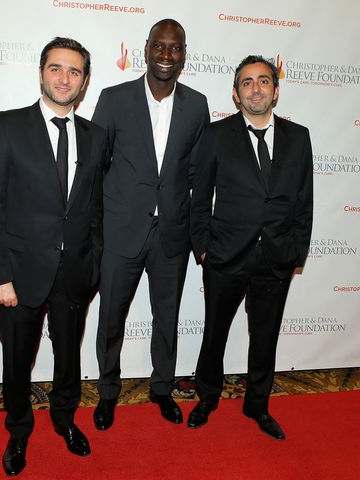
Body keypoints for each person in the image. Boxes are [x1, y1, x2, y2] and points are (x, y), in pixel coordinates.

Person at [0, 37, 105, 476]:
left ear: (84, 81)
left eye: (74, 71)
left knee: (68, 356)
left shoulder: (96, 136)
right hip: (18, 273)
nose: (64, 78)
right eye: (56, 68)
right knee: (18, 360)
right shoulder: (6, 126)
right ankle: (18, 430)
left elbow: (96, 208)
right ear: (41, 73)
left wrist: (94, 265)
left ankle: (65, 420)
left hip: (75, 274)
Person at [91, 18, 210, 430]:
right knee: (111, 319)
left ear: (184, 54)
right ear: (145, 48)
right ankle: (108, 393)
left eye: (174, 48)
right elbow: (94, 167)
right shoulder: (113, 98)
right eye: (159, 46)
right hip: (121, 231)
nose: (165, 55)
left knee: (168, 317)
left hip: (171, 234)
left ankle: (162, 389)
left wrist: (198, 235)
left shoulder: (197, 105)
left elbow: (196, 175)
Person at [187, 55, 313, 440]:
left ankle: (257, 405)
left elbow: (304, 201)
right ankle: (207, 397)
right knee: (215, 334)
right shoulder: (215, 134)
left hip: (276, 259)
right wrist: (204, 248)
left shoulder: (299, 136)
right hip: (225, 256)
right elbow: (198, 198)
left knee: (266, 336)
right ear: (236, 93)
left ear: (275, 91)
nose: (255, 88)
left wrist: (295, 252)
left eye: (263, 81)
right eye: (246, 82)